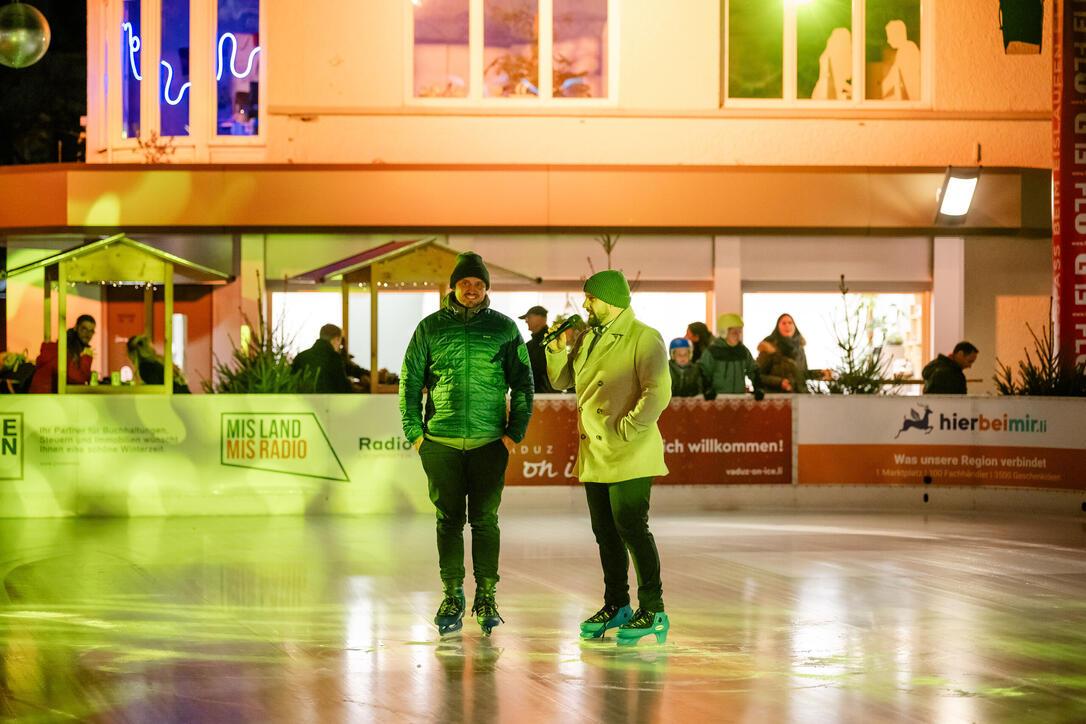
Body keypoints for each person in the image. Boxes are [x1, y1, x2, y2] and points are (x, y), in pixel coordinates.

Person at [400, 251, 533, 636]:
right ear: (453, 287)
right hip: (439, 441)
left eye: (478, 284)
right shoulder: (429, 328)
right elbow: (409, 381)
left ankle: (487, 593)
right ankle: (453, 593)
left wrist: (514, 432)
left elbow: (523, 382)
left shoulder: (505, 328)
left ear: (486, 288)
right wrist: (416, 434)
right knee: (448, 521)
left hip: (489, 441)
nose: (471, 290)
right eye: (465, 283)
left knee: (485, 521)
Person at [545, 270, 672, 646]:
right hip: (597, 451)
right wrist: (555, 351)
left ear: (612, 299)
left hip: (629, 449)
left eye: (591, 298)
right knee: (606, 534)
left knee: (631, 526)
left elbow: (659, 390)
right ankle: (617, 604)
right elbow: (562, 381)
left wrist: (631, 427)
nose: (585, 305)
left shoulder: (643, 336)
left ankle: (653, 608)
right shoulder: (586, 337)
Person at [756, 313, 830, 393]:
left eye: (790, 323)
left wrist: (820, 373)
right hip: (777, 399)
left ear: (794, 326)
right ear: (778, 327)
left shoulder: (800, 348)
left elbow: (803, 374)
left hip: (800, 397)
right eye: (784, 323)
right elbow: (758, 376)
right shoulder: (768, 348)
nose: (787, 325)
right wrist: (780, 382)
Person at [699, 313, 764, 399]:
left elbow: (753, 370)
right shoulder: (712, 352)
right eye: (734, 333)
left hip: (739, 399)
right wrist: (707, 390)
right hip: (717, 399)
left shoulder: (743, 351)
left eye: (739, 332)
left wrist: (758, 388)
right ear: (724, 332)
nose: (738, 337)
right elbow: (703, 373)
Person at [30, 314, 96, 393]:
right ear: (76, 328)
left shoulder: (63, 346)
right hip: (49, 399)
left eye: (91, 331)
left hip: (41, 397)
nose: (88, 334)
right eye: (84, 329)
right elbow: (76, 379)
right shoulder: (67, 349)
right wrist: (87, 358)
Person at [291, 323, 351, 393]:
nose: (340, 346)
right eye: (340, 341)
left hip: (301, 402)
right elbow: (343, 389)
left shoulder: (300, 356)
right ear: (336, 339)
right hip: (327, 402)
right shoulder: (334, 358)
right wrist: (349, 382)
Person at [126, 335, 191, 393]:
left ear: (133, 353)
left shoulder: (146, 368)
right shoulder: (160, 361)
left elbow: (156, 390)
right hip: (183, 399)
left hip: (174, 402)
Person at [519, 305, 557, 393]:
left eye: (529, 317)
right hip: (533, 393)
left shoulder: (553, 341)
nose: (526, 321)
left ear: (540, 318)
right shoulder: (529, 345)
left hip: (548, 395)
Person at [881, 19, 920, 100]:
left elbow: (911, 84)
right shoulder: (903, 50)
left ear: (897, 34)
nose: (888, 41)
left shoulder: (908, 49)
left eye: (889, 36)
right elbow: (891, 80)